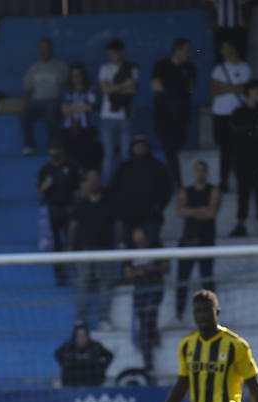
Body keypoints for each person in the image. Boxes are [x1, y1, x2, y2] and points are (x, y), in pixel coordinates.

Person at [68, 169, 116, 327]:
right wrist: (70, 246)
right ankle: (80, 319)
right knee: (82, 283)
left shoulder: (109, 203)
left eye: (96, 179)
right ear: (86, 182)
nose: (94, 182)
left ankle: (103, 319)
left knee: (105, 284)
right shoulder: (80, 204)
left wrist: (121, 243)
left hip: (105, 249)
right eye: (90, 179)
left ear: (100, 182)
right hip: (84, 250)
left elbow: (118, 224)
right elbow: (73, 226)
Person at [175, 160, 222, 320]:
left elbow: (211, 213)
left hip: (206, 240)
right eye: (197, 170)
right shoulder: (186, 191)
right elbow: (180, 211)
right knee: (182, 278)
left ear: (207, 172)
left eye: (203, 170)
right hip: (187, 240)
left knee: (207, 277)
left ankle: (212, 312)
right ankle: (179, 312)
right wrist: (200, 210)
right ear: (193, 172)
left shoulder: (213, 190)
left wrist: (192, 211)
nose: (200, 173)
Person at [230, 80, 258, 236]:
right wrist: (253, 129)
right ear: (248, 92)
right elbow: (236, 130)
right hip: (242, 157)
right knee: (243, 190)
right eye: (256, 91)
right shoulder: (238, 112)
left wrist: (251, 130)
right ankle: (241, 223)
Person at [109, 135, 172, 244]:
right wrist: (119, 213)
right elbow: (114, 191)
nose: (139, 148)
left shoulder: (157, 167)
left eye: (142, 145)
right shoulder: (124, 168)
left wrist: (158, 206)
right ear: (132, 148)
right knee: (128, 250)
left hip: (151, 217)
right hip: (128, 218)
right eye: (137, 146)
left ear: (147, 147)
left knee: (152, 246)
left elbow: (167, 189)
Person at [151, 38, 198, 186]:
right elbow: (156, 86)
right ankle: (176, 179)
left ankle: (177, 177)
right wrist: (175, 92)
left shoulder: (189, 68)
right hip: (164, 112)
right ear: (177, 50)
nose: (188, 54)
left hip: (182, 112)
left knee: (178, 145)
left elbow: (190, 88)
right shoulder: (162, 65)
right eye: (185, 50)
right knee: (169, 146)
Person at [121, 226, 167, 373]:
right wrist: (142, 270)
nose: (138, 237)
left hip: (156, 288)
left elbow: (166, 267)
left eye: (140, 233)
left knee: (149, 318)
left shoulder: (156, 248)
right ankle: (148, 359)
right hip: (140, 291)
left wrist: (150, 269)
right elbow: (127, 274)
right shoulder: (130, 251)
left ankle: (149, 356)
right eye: (135, 234)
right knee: (144, 322)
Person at [210, 38, 252, 191]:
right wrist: (232, 87)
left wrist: (224, 86)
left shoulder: (245, 67)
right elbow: (213, 90)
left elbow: (243, 89)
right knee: (224, 149)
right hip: (220, 113)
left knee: (239, 148)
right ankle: (224, 181)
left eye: (226, 48)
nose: (223, 52)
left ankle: (243, 180)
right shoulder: (218, 68)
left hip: (237, 112)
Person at [98, 39, 140, 180]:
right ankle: (105, 185)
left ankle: (127, 182)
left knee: (125, 153)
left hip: (125, 115)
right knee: (108, 154)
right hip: (108, 115)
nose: (111, 56)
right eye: (109, 54)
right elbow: (105, 90)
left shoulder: (131, 68)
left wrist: (114, 88)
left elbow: (133, 90)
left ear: (121, 53)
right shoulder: (105, 69)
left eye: (114, 53)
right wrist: (123, 85)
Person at [38, 142, 80, 276]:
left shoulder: (71, 167)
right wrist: (45, 186)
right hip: (52, 209)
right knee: (55, 243)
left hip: (69, 208)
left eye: (56, 149)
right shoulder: (45, 169)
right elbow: (39, 190)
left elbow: (79, 186)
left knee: (73, 240)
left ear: (61, 150)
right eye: (51, 149)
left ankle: (76, 271)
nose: (54, 152)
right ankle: (59, 273)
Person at [21, 38, 68, 155]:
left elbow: (68, 87)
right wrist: (24, 105)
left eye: (46, 49)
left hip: (54, 100)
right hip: (37, 102)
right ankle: (29, 146)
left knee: (51, 112)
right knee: (24, 115)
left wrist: (66, 104)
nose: (43, 51)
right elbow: (27, 90)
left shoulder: (61, 66)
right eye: (41, 49)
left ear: (51, 49)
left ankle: (53, 147)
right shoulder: (33, 68)